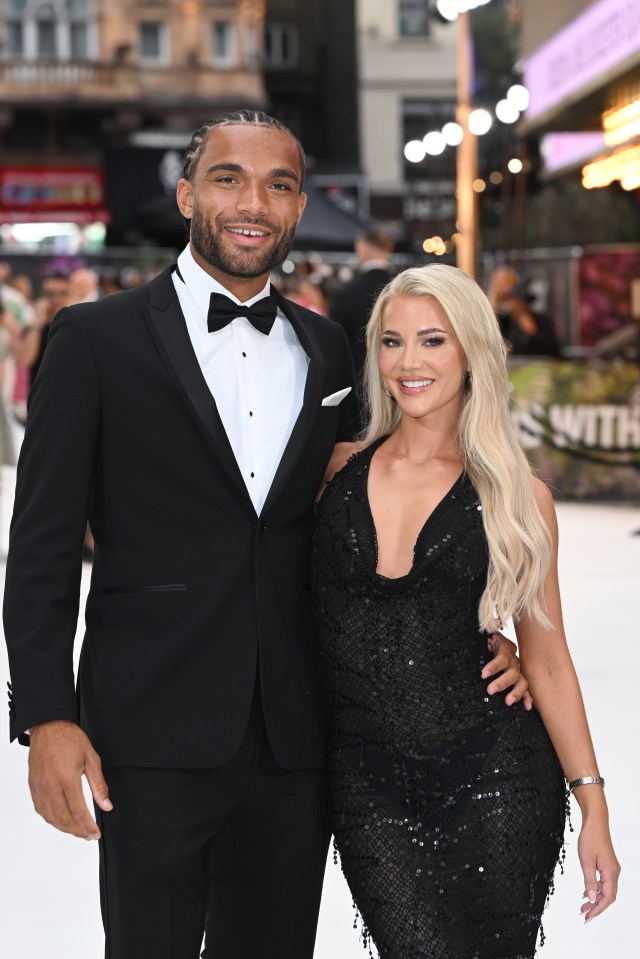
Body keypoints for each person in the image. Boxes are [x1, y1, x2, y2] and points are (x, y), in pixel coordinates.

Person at [4, 113, 525, 959]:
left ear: (299, 205)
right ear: (186, 194)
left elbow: (386, 511)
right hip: (149, 729)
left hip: (299, 734)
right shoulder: (93, 341)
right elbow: (42, 550)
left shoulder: (328, 351)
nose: (254, 202)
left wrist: (480, 630)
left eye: (278, 184)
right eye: (228, 178)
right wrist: (47, 717)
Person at [312, 264, 620, 958]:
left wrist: (592, 802)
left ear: (472, 351)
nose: (409, 362)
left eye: (432, 340)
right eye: (392, 342)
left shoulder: (517, 496)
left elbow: (547, 658)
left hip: (497, 780)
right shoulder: (334, 472)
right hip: (367, 789)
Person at [330, 227, 396, 402]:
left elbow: (334, 341)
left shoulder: (349, 292)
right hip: (399, 381)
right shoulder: (402, 289)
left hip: (359, 385)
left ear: (363, 247)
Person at [487, 265, 561, 358]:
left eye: (507, 285)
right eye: (498, 286)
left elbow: (552, 350)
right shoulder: (497, 319)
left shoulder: (538, 319)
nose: (504, 291)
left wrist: (531, 327)